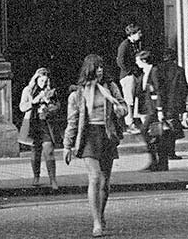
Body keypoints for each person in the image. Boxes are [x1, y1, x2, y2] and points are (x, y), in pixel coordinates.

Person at [63, 54, 127, 238]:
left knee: (105, 183)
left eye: (102, 67)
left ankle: (101, 212)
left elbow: (123, 107)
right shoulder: (78, 93)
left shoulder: (111, 87)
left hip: (107, 134)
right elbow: (72, 121)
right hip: (89, 136)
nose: (100, 70)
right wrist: (67, 145)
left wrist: (119, 109)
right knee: (95, 178)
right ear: (89, 69)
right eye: (96, 67)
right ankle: (96, 222)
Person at [18, 68, 61, 189]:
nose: (43, 83)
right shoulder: (28, 90)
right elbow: (22, 107)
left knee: (49, 150)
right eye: (41, 80)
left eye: (45, 80)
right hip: (33, 123)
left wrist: (49, 107)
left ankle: (53, 179)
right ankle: (36, 176)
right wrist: (34, 102)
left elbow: (58, 106)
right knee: (35, 151)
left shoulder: (50, 91)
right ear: (36, 79)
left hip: (46, 124)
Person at [134, 50, 168, 171]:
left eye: (138, 60)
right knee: (155, 134)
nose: (136, 63)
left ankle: (158, 161)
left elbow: (158, 91)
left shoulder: (154, 71)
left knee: (146, 131)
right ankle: (158, 161)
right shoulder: (144, 73)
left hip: (154, 108)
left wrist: (160, 110)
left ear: (144, 60)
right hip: (148, 107)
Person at [157, 48, 188, 160]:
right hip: (174, 104)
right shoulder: (179, 70)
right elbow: (184, 89)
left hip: (161, 102)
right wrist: (183, 107)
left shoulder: (158, 70)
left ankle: (161, 153)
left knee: (162, 129)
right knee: (172, 128)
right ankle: (171, 152)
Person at [116, 24, 143, 134]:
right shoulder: (125, 45)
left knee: (135, 99)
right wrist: (130, 72)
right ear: (132, 34)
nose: (140, 35)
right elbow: (120, 61)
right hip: (128, 77)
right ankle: (129, 124)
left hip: (134, 75)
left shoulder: (135, 44)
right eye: (138, 33)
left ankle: (134, 121)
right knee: (129, 100)